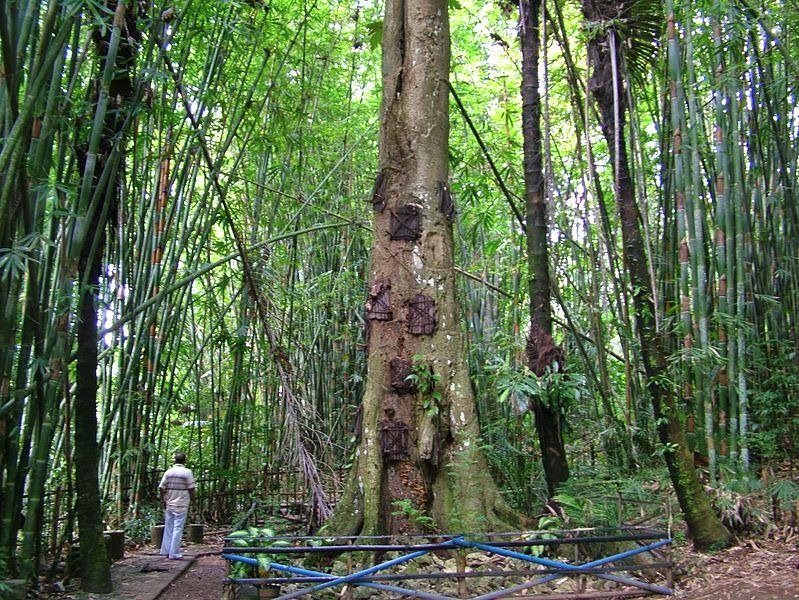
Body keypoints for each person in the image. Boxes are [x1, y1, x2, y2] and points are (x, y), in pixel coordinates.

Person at [158, 451, 196, 559]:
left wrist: (163, 498)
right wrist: (194, 501)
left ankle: (165, 551)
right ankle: (174, 553)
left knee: (169, 527)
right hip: (182, 503)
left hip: (170, 502)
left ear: (175, 460)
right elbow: (191, 488)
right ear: (184, 461)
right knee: (178, 528)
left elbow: (161, 487)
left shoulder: (169, 472)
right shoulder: (187, 472)